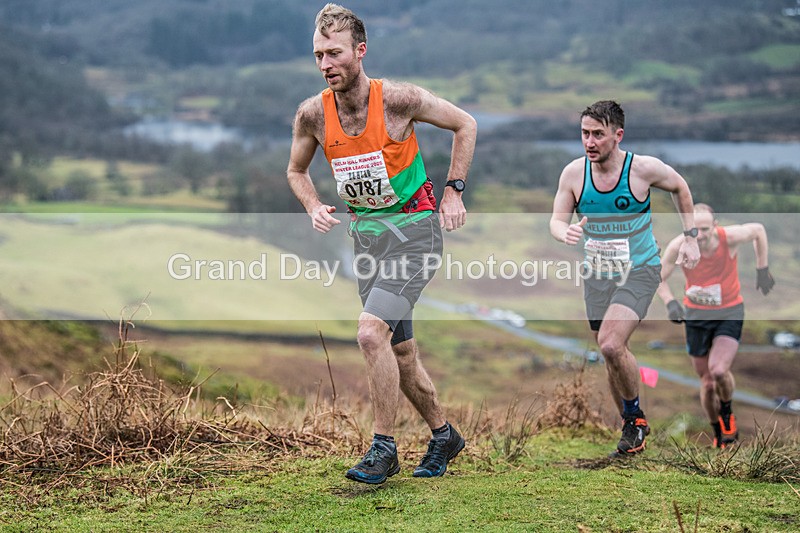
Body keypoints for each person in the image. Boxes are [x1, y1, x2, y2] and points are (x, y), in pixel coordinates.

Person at [287, 4, 476, 484]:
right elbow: (295, 170)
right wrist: (313, 205)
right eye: (318, 55)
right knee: (401, 352)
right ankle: (444, 435)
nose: (325, 64)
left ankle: (383, 448)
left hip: (415, 235)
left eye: (334, 53)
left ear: (360, 51)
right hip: (368, 243)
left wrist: (454, 191)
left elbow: (465, 124)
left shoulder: (397, 99)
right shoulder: (312, 114)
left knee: (371, 334)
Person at [549, 100, 701, 457]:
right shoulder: (573, 174)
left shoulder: (643, 169)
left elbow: (680, 187)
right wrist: (564, 232)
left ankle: (636, 419)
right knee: (611, 354)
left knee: (610, 344)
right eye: (584, 133)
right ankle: (630, 429)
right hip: (597, 275)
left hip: (640, 270)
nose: (589, 142)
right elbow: (556, 219)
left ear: (618, 135)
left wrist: (691, 238)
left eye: (598, 134)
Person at [657, 203, 774, 448]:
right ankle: (717, 431)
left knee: (718, 370)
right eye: (694, 230)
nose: (699, 235)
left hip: (729, 312)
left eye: (705, 229)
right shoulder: (679, 245)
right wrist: (670, 303)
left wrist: (762, 269)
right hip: (696, 316)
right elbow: (658, 278)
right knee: (708, 383)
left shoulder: (728, 238)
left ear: (715, 226)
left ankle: (727, 412)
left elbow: (759, 230)